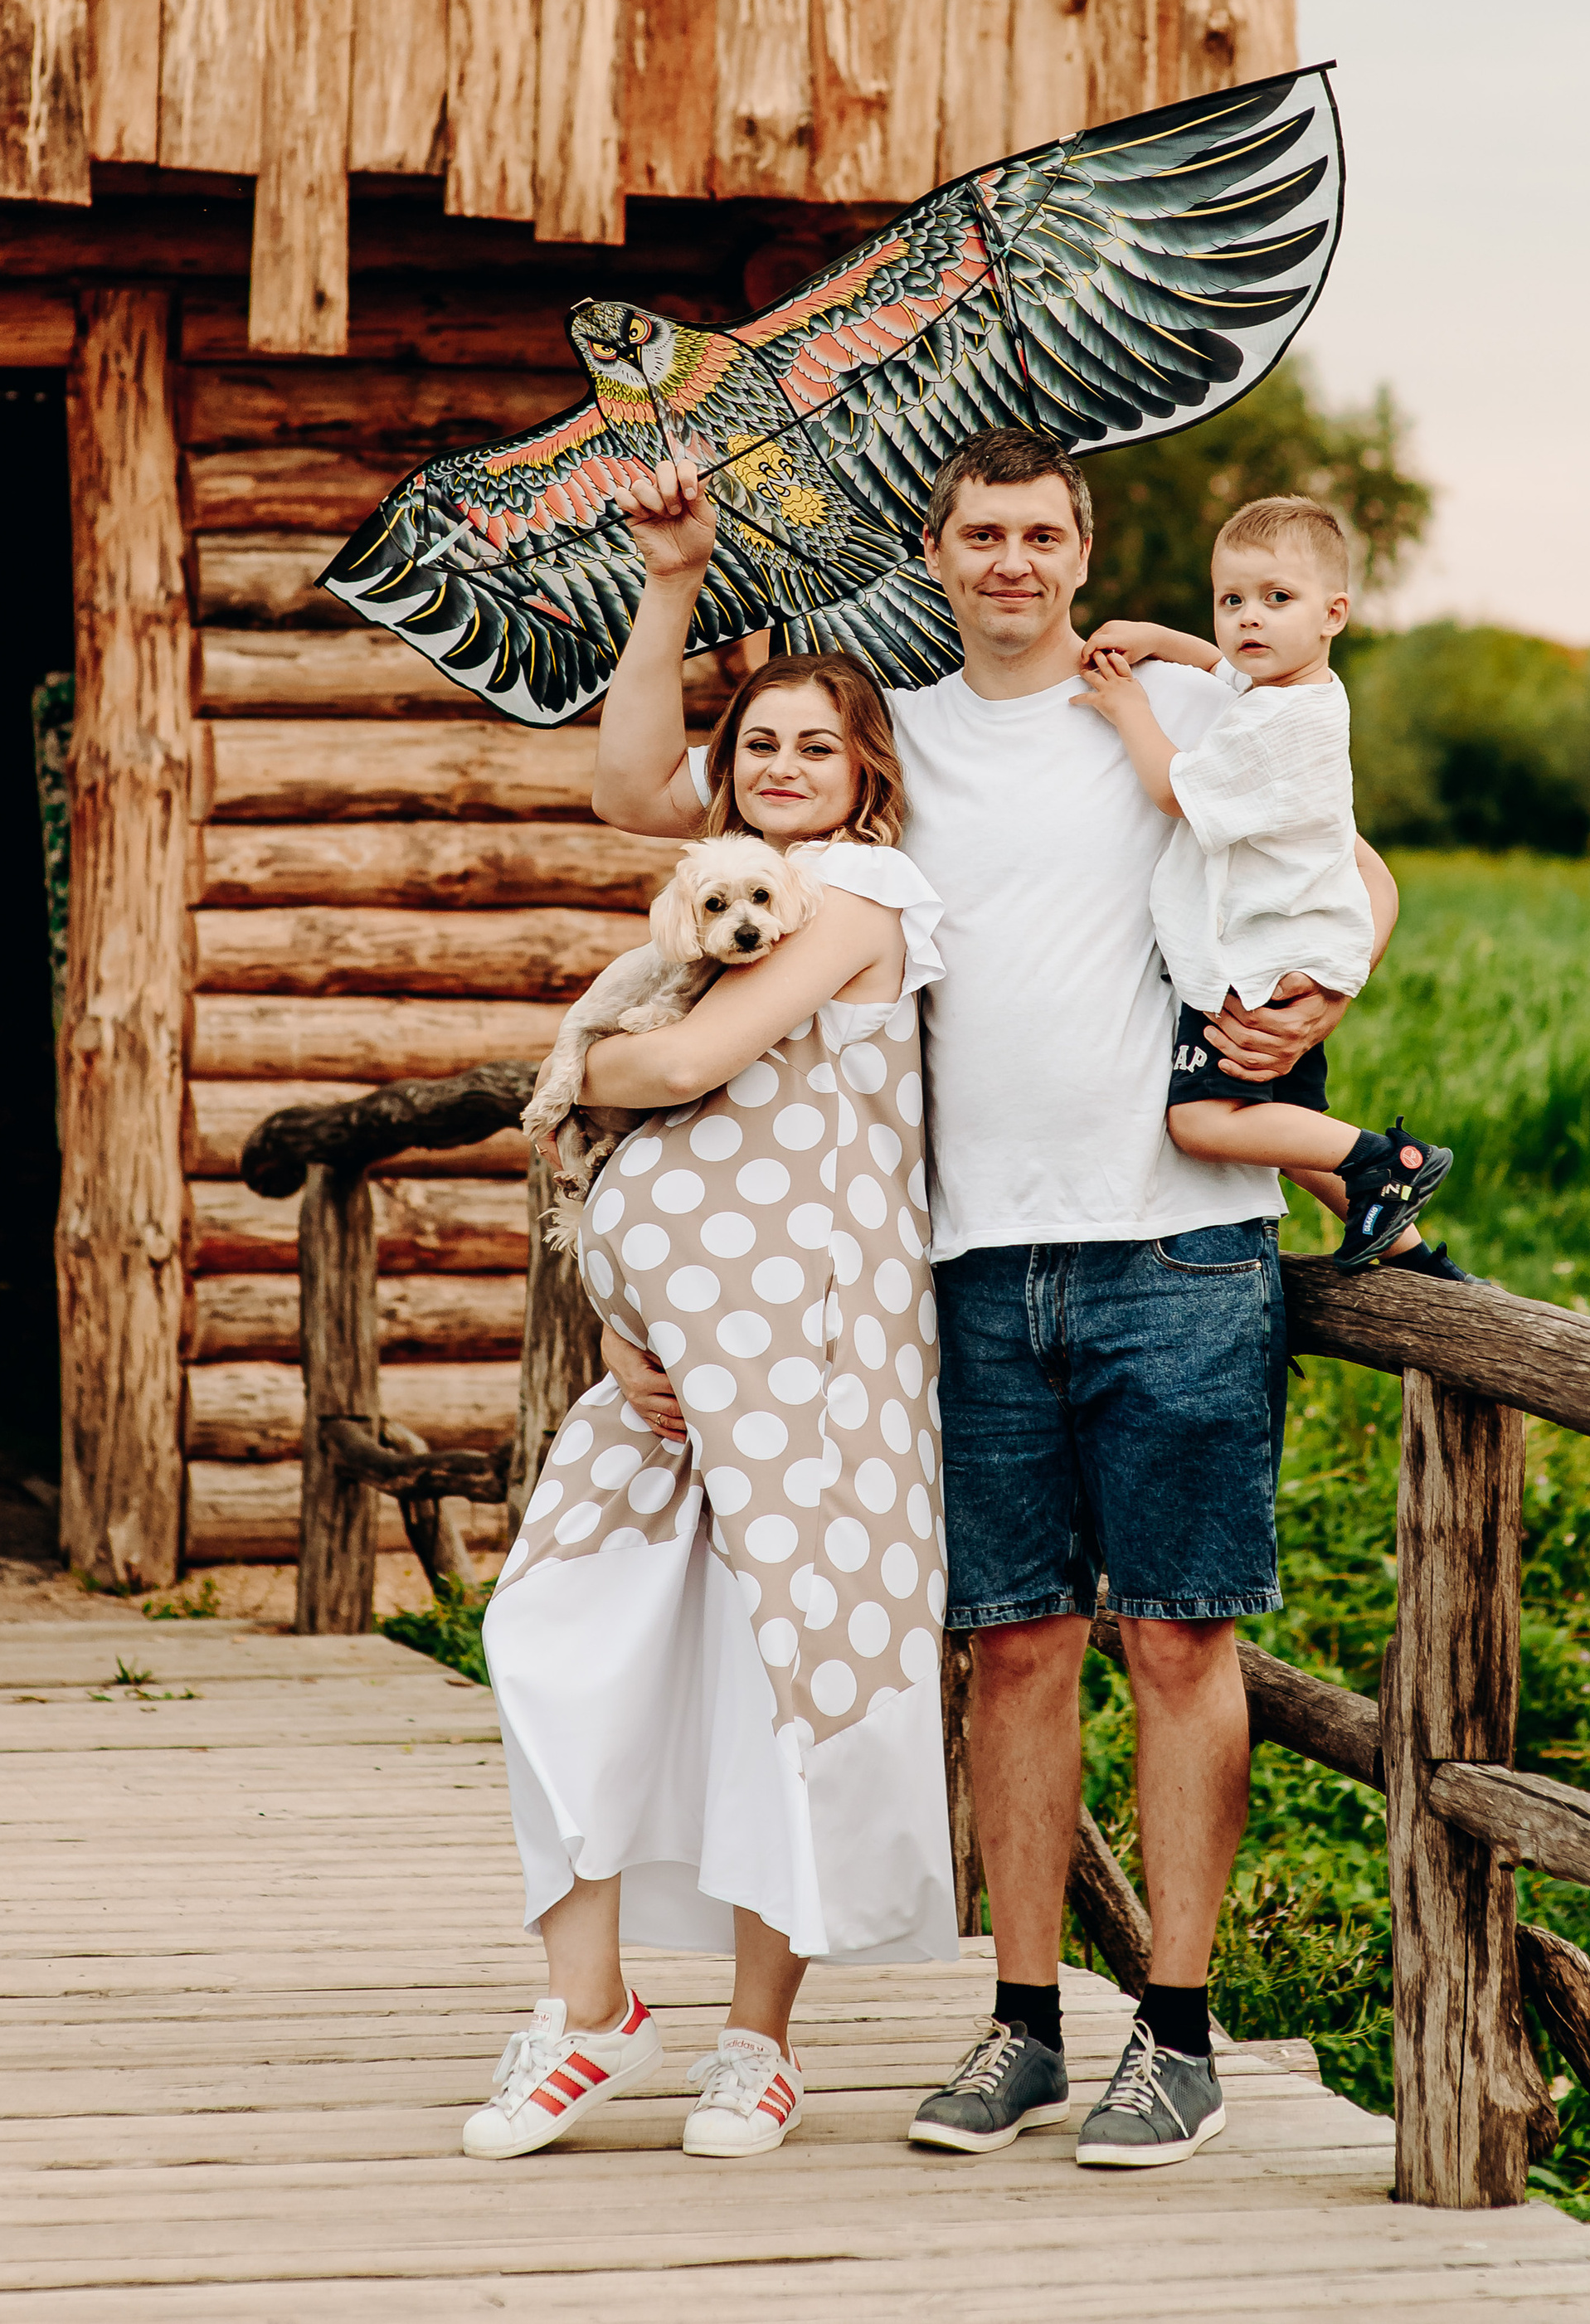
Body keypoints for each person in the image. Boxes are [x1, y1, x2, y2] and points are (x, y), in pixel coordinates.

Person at [591, 424, 1402, 2173]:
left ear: (1082, 550)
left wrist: (1323, 995)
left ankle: (1173, 2035)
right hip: (966, 1256)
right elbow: (653, 793)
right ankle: (1023, 2025)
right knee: (1012, 1646)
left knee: (1180, 1635)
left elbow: (1356, 859)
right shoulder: (899, 739)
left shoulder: (1180, 715)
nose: (1010, 561)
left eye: (1040, 533)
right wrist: (668, 587)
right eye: (980, 535)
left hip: (1177, 1239)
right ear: (942, 553)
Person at [465, 654, 956, 2169]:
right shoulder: (721, 890)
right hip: (667, 1371)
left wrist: (576, 1064)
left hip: (815, 1360)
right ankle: (589, 2009)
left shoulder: (862, 895)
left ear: (865, 771)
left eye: (819, 744)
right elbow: (626, 787)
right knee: (546, 1636)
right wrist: (628, 1317)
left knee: (778, 1686)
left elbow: (685, 1062)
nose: (787, 764)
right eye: (759, 745)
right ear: (729, 768)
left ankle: (760, 2045)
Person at [1075, 492, 1455, 1267]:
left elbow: (1172, 791)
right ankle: (1416, 1256)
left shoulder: (1278, 724)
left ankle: (1389, 1160)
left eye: (1277, 599)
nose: (1250, 618)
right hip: (1289, 952)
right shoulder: (1296, 692)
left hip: (1255, 963)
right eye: (1231, 600)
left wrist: (1127, 705)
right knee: (1287, 1134)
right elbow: (1224, 667)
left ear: (1334, 614)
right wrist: (1161, 637)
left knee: (1206, 1122)